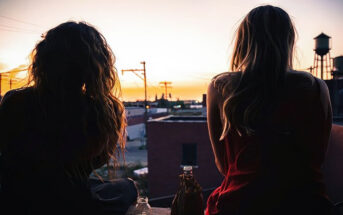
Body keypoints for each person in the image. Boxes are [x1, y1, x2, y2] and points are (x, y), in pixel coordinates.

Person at [206, 5, 333, 215]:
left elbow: (224, 166)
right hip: (307, 204)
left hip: (240, 204)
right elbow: (317, 159)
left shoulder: (222, 87)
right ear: (289, 41)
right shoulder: (316, 87)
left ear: (243, 41)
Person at [0, 22, 137, 215]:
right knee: (127, 187)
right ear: (97, 66)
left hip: (14, 203)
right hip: (71, 205)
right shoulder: (104, 111)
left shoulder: (15, 102)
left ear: (43, 60)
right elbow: (90, 166)